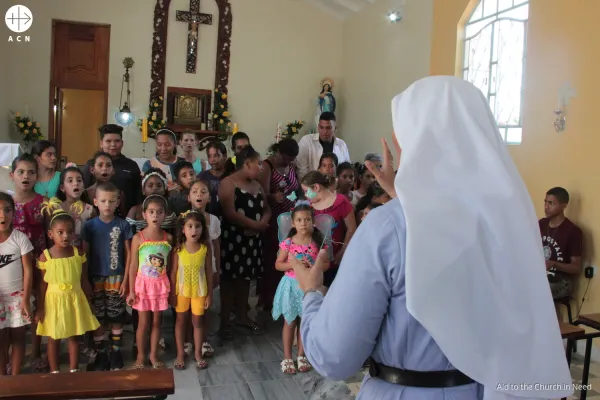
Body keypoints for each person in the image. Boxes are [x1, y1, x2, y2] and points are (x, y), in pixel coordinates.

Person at [292, 76, 572, 399]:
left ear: (409, 143)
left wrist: (312, 294)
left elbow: (334, 355)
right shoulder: (511, 227)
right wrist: (403, 193)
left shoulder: (388, 228)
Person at [36, 206, 100, 373]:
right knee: (53, 337)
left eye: (69, 232)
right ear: (51, 234)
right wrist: (40, 307)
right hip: (53, 302)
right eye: (60, 232)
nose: (65, 236)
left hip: (74, 299)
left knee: (74, 335)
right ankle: (54, 370)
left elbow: (84, 279)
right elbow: (42, 284)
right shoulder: (46, 256)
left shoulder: (78, 253)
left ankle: (74, 369)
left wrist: (89, 302)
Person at [218, 146, 271, 340]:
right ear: (247, 163)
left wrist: (262, 222)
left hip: (252, 241)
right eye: (258, 163)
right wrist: (255, 225)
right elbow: (229, 212)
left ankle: (242, 316)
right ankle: (224, 321)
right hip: (233, 240)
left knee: (246, 280)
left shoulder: (257, 184)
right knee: (229, 281)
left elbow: (266, 208)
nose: (261, 167)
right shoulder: (228, 183)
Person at [82, 182, 133, 371]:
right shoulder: (89, 226)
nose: (107, 205)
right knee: (98, 317)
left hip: (116, 278)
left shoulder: (123, 224)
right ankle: (102, 353)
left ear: (118, 202)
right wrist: (84, 280)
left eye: (112, 201)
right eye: (103, 201)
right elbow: (84, 256)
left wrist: (126, 279)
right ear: (95, 201)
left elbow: (129, 255)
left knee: (116, 315)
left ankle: (116, 351)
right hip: (95, 278)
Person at [272, 201, 323, 375]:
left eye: (307, 219)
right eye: (299, 220)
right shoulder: (288, 243)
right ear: (293, 223)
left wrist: (314, 264)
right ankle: (287, 357)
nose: (303, 223)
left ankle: (302, 355)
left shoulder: (317, 242)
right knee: (290, 321)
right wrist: (293, 265)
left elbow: (325, 264)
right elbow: (278, 265)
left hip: (309, 286)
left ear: (313, 222)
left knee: (305, 321)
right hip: (291, 286)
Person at [10, 153, 48, 373]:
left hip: (37, 263)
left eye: (31, 172)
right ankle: (12, 353)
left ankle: (35, 351)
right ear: (12, 175)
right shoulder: (6, 204)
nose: (26, 176)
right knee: (12, 308)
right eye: (21, 172)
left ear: (38, 176)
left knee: (38, 307)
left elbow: (50, 233)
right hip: (12, 265)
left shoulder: (43, 203)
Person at [127, 194, 173, 369]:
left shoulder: (168, 238)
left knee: (156, 323)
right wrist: (131, 290)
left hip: (160, 287)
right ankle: (141, 356)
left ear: (165, 215)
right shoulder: (139, 238)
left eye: (159, 212)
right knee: (143, 324)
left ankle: (154, 356)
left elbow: (169, 267)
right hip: (143, 287)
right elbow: (132, 266)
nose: (155, 216)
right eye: (151, 212)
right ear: (144, 214)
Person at [258, 139, 300, 312]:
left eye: (292, 160)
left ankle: (284, 297)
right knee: (272, 259)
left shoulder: (291, 166)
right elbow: (261, 193)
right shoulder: (268, 166)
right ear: (279, 153)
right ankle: (267, 299)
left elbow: (297, 188)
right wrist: (273, 197)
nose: (289, 162)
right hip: (274, 219)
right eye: (287, 158)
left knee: (288, 257)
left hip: (291, 220)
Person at [170, 210, 213, 370]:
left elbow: (209, 271)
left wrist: (210, 294)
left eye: (197, 226)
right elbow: (173, 273)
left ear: (203, 228)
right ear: (183, 229)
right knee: (180, 322)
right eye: (189, 226)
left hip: (200, 291)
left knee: (198, 322)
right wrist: (172, 294)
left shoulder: (205, 247)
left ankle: (197, 354)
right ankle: (180, 354)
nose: (194, 230)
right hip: (181, 291)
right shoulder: (178, 248)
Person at [301, 171, 356, 287]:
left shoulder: (341, 202)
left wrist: (342, 252)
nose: (305, 195)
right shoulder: (308, 206)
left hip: (335, 259)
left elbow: (351, 229)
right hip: (311, 260)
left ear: (316, 187)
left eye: (306, 191)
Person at [0, 192, 34, 376]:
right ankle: (3, 378)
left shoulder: (20, 238)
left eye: (7, 210)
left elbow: (28, 270)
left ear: (14, 213)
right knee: (1, 339)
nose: (3, 215)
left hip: (17, 298)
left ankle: (15, 376)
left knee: (18, 337)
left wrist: (26, 299)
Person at [188, 180, 220, 358]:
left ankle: (204, 341)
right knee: (186, 309)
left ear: (209, 197)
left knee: (204, 306)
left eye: (203, 191)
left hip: (207, 269)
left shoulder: (213, 220)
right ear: (189, 196)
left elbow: (216, 247)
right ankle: (188, 340)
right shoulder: (183, 218)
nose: (199, 195)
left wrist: (217, 270)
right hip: (188, 270)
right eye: (194, 191)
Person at [82, 124, 142, 213]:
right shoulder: (91, 164)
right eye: (108, 141)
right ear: (101, 143)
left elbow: (138, 194)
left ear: (122, 143)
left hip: (125, 215)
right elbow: (84, 191)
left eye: (117, 141)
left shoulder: (131, 165)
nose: (113, 145)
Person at [539, 187, 583, 299]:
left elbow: (576, 268)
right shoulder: (541, 224)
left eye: (551, 203)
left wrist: (554, 264)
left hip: (562, 281)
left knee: (535, 291)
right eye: (545, 202)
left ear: (564, 206)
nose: (546, 207)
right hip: (541, 277)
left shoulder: (573, 231)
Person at [296, 112, 350, 179]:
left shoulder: (342, 144)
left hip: (335, 186)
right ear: (318, 127)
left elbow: (347, 169)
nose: (324, 131)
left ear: (335, 128)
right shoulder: (306, 141)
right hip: (311, 186)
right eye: (321, 127)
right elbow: (301, 171)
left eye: (328, 128)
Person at [54, 164, 95, 249]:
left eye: (79, 180)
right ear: (62, 188)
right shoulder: (56, 209)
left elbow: (94, 237)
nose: (76, 183)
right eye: (70, 181)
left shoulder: (90, 210)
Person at [86, 152, 128, 217]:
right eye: (100, 165)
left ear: (113, 170)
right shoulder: (85, 194)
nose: (105, 169)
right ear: (92, 170)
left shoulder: (120, 194)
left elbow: (123, 217)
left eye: (108, 165)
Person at [197, 141, 227, 218]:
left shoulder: (230, 176)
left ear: (224, 156)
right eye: (209, 156)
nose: (212, 160)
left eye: (216, 155)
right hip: (208, 219)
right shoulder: (202, 176)